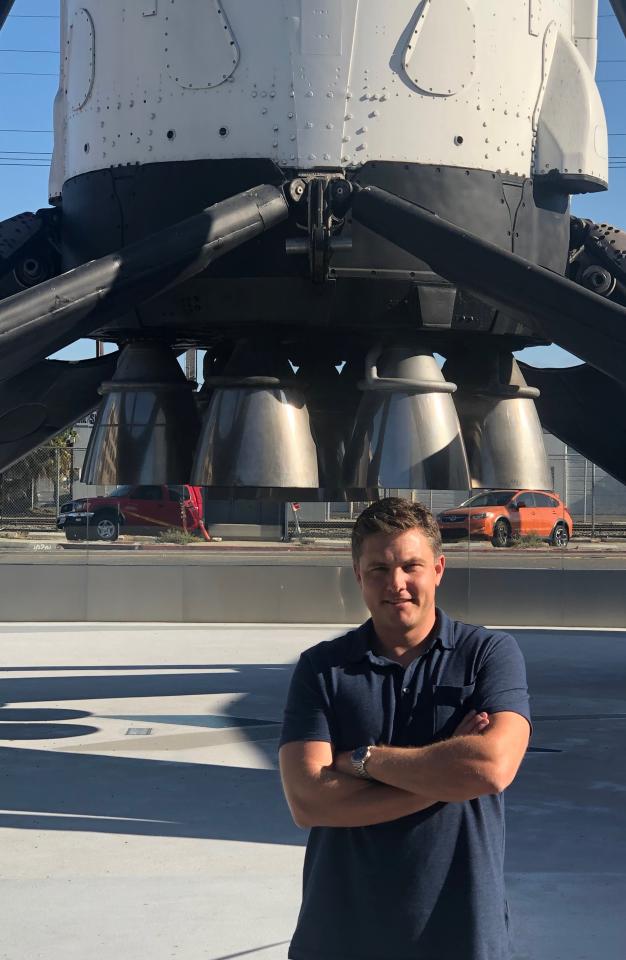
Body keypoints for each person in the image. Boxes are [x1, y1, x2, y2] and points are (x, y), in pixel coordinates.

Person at [279, 497, 531, 960]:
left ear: (438, 568)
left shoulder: (488, 655)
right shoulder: (322, 669)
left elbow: (491, 767)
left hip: (462, 937)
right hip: (339, 939)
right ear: (357, 575)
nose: (395, 584)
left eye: (410, 566)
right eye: (378, 569)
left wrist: (363, 761)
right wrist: (447, 775)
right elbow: (308, 799)